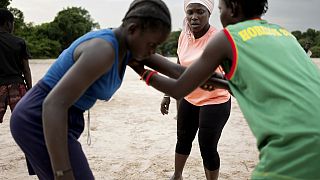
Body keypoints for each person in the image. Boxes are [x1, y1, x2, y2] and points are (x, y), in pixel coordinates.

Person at [134, 0, 320, 179]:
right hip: (311, 129)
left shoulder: (226, 37)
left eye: (220, 7)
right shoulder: (283, 33)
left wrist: (138, 64)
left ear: (233, 8)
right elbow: (251, 81)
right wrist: (217, 82)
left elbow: (177, 87)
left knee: (208, 146)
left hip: (296, 144)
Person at [9, 0, 171, 179]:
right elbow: (53, 104)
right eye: (152, 44)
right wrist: (63, 172)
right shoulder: (104, 49)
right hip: (39, 118)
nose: (154, 51)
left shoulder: (128, 50)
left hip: (55, 117)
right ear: (133, 29)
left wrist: (207, 67)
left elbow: (178, 80)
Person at [160, 1, 231, 179]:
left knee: (207, 146)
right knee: (183, 139)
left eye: (200, 12)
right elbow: (178, 66)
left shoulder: (219, 39)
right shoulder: (184, 36)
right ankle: (177, 175)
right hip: (189, 98)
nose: (194, 17)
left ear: (209, 13)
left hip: (215, 100)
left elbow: (233, 72)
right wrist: (167, 94)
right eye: (190, 12)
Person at [0, 8, 32, 124]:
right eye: (13, 23)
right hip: (17, 86)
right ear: (8, 23)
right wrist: (30, 90)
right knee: (24, 122)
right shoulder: (19, 42)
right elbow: (26, 70)